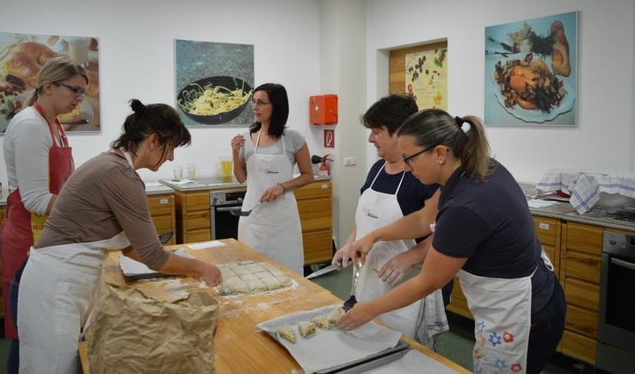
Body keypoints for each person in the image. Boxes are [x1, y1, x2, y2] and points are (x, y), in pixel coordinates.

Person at [338, 109, 566, 374]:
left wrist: (369, 310)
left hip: (524, 310)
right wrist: (374, 236)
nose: (407, 166)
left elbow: (429, 281)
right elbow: (424, 219)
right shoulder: (472, 167)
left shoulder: (467, 206)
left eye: (410, 158)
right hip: (524, 292)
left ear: (440, 153)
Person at [16, 100, 223, 373]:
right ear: (153, 141)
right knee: (52, 369)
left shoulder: (112, 165)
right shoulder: (120, 175)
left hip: (65, 279)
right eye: (170, 148)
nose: (171, 157)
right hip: (57, 284)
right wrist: (201, 267)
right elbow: (152, 256)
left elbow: (131, 249)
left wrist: (182, 267)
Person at [332, 94, 448, 348]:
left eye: (376, 131)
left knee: (403, 354)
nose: (370, 138)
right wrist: (350, 244)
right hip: (370, 283)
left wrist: (413, 256)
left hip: (407, 288)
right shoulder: (376, 170)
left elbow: (440, 230)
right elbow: (365, 220)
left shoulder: (424, 175)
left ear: (401, 133)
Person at [0, 57, 89, 372]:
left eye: (82, 93)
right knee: (27, 335)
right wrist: (87, 209)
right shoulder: (30, 125)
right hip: (26, 240)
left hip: (46, 237)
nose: (79, 99)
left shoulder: (55, 125)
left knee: (42, 333)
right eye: (75, 90)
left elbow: (66, 183)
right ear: (48, 86)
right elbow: (36, 199)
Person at [231, 83, 314, 275]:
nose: (255, 107)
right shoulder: (247, 138)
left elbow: (308, 175)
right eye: (254, 102)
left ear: (276, 105)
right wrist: (235, 153)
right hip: (254, 219)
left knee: (286, 272)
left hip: (282, 220)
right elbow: (242, 178)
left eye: (261, 102)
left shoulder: (293, 139)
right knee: (251, 272)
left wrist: (282, 187)